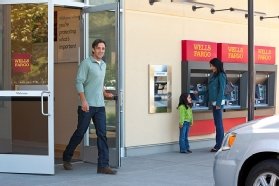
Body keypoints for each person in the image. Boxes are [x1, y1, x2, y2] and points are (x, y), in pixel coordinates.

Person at [63, 39, 117, 175]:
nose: (101, 51)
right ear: (93, 49)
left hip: (100, 105)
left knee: (102, 135)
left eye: (103, 48)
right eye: (98, 48)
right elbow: (79, 83)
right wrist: (84, 101)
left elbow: (99, 83)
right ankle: (67, 157)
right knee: (80, 132)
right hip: (86, 105)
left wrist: (105, 93)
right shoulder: (86, 63)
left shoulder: (103, 64)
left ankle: (103, 165)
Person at [208, 58, 226, 152]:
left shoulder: (221, 75)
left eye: (211, 65)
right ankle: (219, 144)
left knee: (219, 124)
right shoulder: (214, 75)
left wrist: (218, 103)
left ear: (216, 65)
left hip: (218, 103)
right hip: (214, 103)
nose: (211, 67)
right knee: (217, 124)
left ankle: (219, 145)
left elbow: (221, 90)